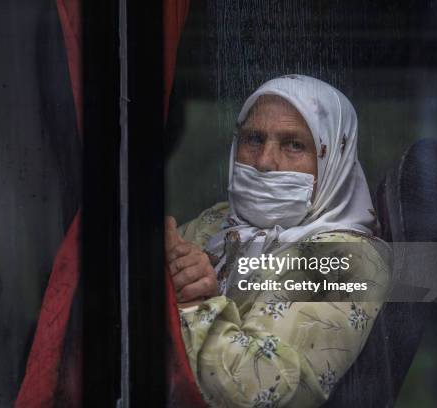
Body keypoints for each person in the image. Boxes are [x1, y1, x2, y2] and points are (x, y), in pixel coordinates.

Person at [165, 75, 390, 407]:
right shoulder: (217, 222)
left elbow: (263, 390)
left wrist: (197, 303)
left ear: (333, 159)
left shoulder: (349, 260)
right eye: (253, 139)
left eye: (293, 145)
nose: (265, 161)